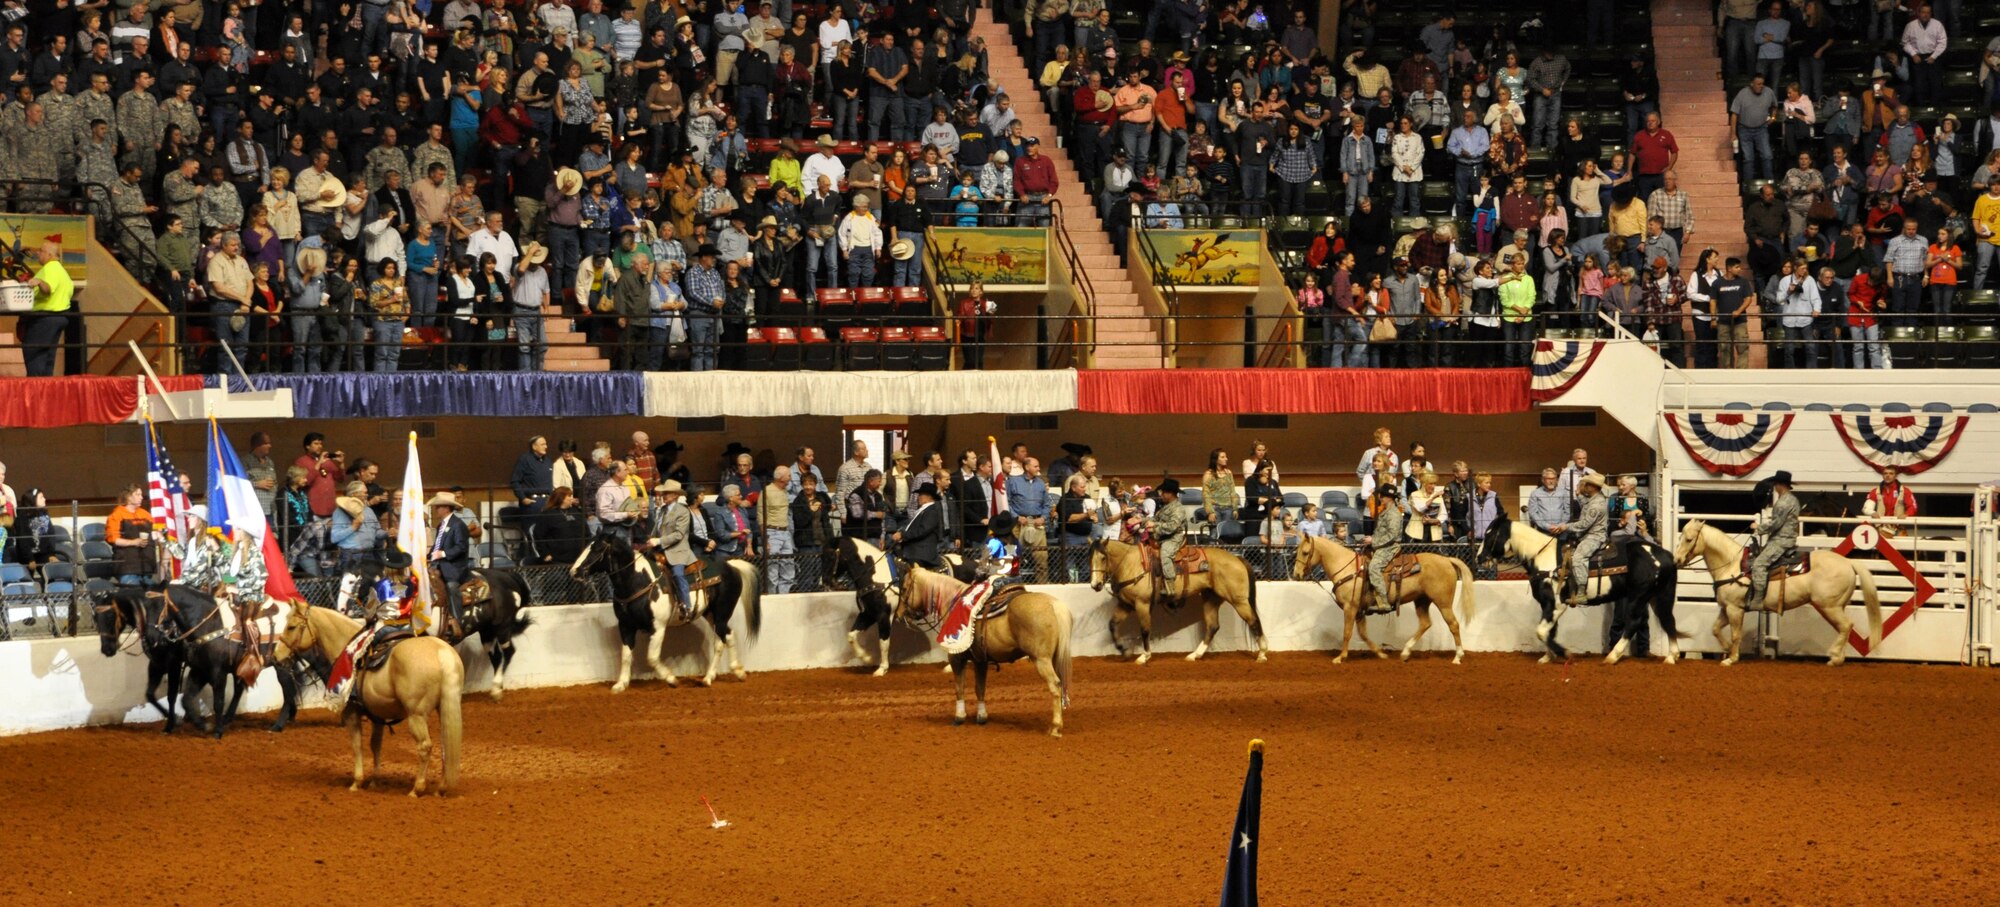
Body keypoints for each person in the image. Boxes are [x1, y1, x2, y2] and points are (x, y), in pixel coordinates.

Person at [936, 510, 1021, 655]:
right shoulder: (1016, 542)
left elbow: (983, 566)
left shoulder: (993, 542)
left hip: (997, 581)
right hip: (1016, 579)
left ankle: (961, 639)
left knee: (966, 601)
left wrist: (977, 578)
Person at [19, 236, 75, 377]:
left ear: (50, 255)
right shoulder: (63, 272)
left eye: (41, 251)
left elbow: (48, 288)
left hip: (44, 319)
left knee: (34, 355)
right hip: (60, 317)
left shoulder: (51, 268)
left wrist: (39, 282)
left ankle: (35, 390)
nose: (38, 253)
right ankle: (46, 390)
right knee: (47, 358)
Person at [1747, 470, 1801, 609]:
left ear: (1780, 485)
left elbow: (1776, 523)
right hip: (1784, 538)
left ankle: (1758, 600)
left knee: (1759, 564)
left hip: (1781, 540)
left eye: (1775, 484)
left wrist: (1759, 528)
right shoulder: (1791, 499)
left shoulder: (1784, 502)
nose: (1774, 487)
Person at [646, 479, 696, 617]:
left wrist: (659, 541)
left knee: (678, 573)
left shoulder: (683, 511)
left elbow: (679, 535)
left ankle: (687, 605)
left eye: (667, 493)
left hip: (678, 550)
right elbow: (657, 528)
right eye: (663, 493)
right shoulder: (661, 510)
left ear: (675, 495)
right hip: (659, 548)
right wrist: (650, 540)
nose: (663, 495)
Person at [1563, 471, 1610, 606]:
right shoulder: (1595, 499)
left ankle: (1582, 593)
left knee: (1578, 558)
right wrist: (1578, 495)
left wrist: (1565, 527)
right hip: (1590, 534)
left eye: (1587, 484)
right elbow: (1586, 506)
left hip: (1594, 537)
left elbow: (1584, 524)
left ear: (1593, 487)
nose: (1584, 486)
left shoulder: (1596, 505)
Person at [428, 492, 472, 633]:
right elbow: (437, 545)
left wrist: (444, 554)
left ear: (446, 508)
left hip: (454, 566)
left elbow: (461, 547)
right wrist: (428, 556)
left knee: (452, 586)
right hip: (440, 563)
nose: (436, 509)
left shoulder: (458, 525)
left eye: (438, 507)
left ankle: (456, 619)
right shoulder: (442, 524)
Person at [106, 484, 156, 586]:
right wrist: (134, 542)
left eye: (141, 494)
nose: (141, 497)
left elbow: (155, 530)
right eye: (138, 494)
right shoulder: (117, 515)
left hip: (146, 565)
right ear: (128, 497)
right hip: (127, 566)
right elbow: (113, 539)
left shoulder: (145, 514)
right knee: (133, 591)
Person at [1366, 483, 1406, 611]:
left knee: (1373, 567)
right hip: (1382, 545)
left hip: (1389, 547)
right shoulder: (1386, 511)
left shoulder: (1393, 514)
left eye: (1382, 495)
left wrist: (1373, 540)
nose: (1380, 497)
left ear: (1389, 497)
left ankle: (1383, 602)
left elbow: (1392, 535)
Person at [1148, 478, 1189, 602]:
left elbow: (1172, 527)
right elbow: (1155, 519)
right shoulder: (1166, 507)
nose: (1161, 495)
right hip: (1162, 536)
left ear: (1170, 493)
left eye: (1163, 492)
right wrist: (1141, 521)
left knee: (1165, 554)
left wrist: (1155, 527)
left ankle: (1170, 586)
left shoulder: (1178, 508)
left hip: (1173, 538)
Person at [894, 483, 946, 569]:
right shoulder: (924, 510)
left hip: (921, 552)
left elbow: (922, 531)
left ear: (929, 496)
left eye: (921, 495)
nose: (918, 497)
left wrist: (903, 535)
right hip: (914, 550)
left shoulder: (932, 511)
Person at [1861, 466, 1918, 537]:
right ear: (1882, 476)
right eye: (1885, 473)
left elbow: (1913, 506)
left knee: (1901, 548)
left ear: (1895, 476)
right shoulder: (1875, 491)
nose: (1888, 475)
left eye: (1891, 473)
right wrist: (1872, 513)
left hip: (1898, 528)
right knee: (1880, 548)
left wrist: (1906, 514)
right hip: (1880, 528)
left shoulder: (1905, 491)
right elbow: (1866, 508)